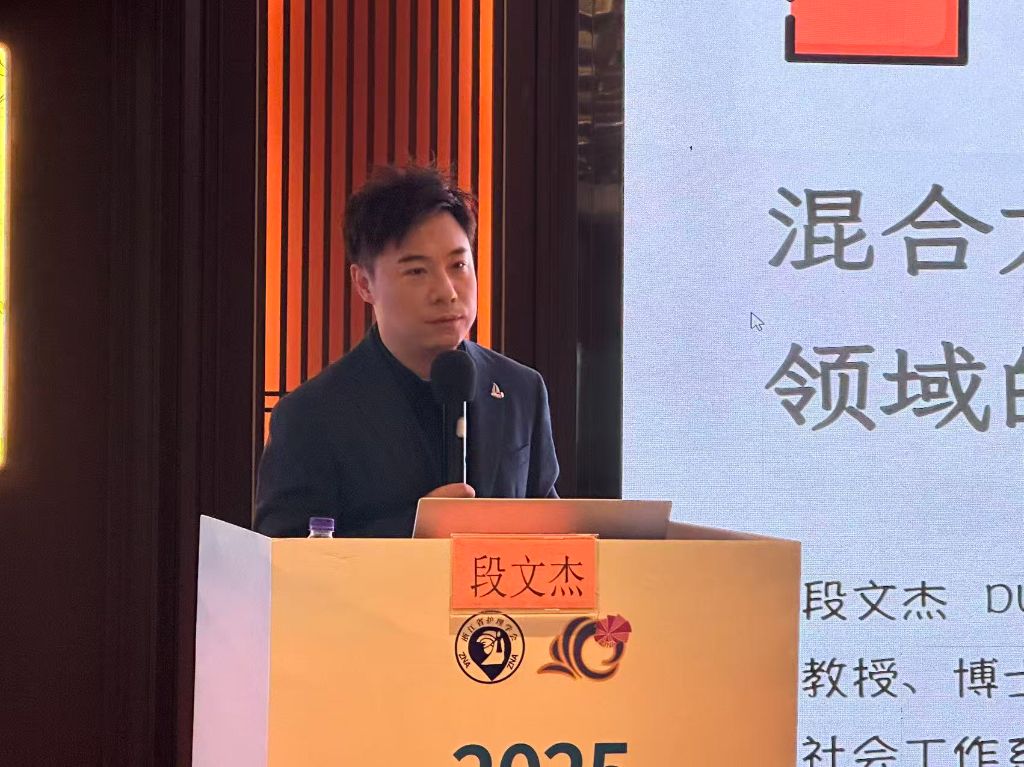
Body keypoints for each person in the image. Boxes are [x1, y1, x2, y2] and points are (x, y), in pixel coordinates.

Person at [254, 165, 559, 537]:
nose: (447, 292)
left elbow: (553, 531)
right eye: (417, 271)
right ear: (364, 283)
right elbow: (284, 558)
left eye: (459, 265)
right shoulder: (311, 416)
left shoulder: (521, 389)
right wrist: (415, 537)